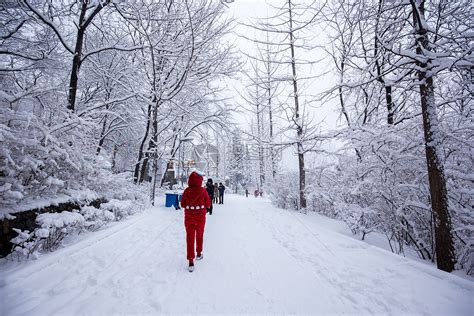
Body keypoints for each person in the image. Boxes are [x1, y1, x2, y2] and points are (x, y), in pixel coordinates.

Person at [180, 171, 211, 272]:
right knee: (199, 235)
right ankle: (198, 253)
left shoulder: (187, 191)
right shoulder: (203, 191)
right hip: (200, 217)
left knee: (190, 238)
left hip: (189, 218)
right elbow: (208, 203)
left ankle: (190, 261)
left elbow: (183, 204)